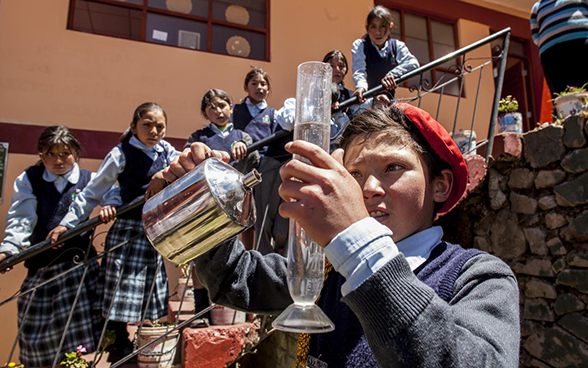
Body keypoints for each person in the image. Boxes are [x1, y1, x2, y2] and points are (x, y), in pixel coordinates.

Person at [162, 104, 520, 367]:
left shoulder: (478, 275)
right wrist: (198, 206)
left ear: (440, 185)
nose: (370, 188)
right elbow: (235, 279)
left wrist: (359, 240)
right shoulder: (326, 270)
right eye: (354, 173)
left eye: (394, 167)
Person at [48, 102, 180, 362]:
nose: (154, 131)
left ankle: (145, 343)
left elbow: (184, 163)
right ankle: (119, 342)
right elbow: (93, 191)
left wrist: (163, 174)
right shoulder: (121, 153)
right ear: (133, 127)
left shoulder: (166, 151)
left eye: (160, 126)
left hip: (153, 229)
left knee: (147, 290)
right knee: (120, 289)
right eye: (147, 125)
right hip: (128, 229)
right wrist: (67, 223)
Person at [0, 126, 113, 367]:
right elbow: (21, 218)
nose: (58, 160)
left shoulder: (89, 181)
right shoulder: (30, 179)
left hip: (79, 271)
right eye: (50, 154)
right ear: (41, 155)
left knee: (79, 345)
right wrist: (10, 248)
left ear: (76, 153)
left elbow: (113, 198)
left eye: (65, 153)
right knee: (35, 341)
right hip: (42, 272)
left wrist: (109, 206)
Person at [233, 68, 291, 254]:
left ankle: (265, 257)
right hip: (241, 167)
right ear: (246, 87)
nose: (259, 87)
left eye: (263, 84)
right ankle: (244, 254)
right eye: (254, 83)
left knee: (261, 216)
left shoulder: (273, 114)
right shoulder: (236, 111)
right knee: (242, 217)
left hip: (263, 171)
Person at [351, 5, 420, 104]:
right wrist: (361, 87)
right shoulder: (360, 45)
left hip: (389, 102)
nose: (378, 32)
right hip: (367, 102)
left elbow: (413, 63)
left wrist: (392, 75)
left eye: (382, 26)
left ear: (390, 27)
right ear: (367, 28)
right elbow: (359, 70)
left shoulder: (397, 46)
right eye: (373, 26)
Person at [185, 88, 259, 173]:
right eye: (212, 108)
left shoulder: (243, 137)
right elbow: (188, 159)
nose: (218, 111)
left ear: (231, 108)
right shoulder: (197, 138)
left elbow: (254, 160)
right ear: (205, 114)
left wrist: (243, 144)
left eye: (222, 106)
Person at [530, 0, 588, 96]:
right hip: (552, 53)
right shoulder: (536, 7)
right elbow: (535, 36)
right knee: (561, 92)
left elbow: (536, 37)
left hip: (581, 44)